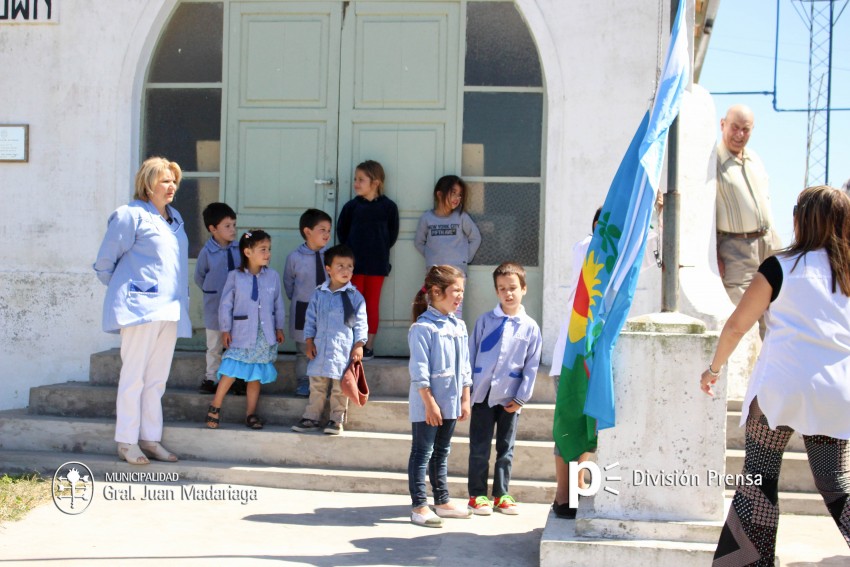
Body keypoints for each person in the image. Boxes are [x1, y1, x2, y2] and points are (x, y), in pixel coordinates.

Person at [700, 185, 850, 565]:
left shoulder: (779, 266)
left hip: (779, 390)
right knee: (835, 483)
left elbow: (737, 325)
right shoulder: (847, 272)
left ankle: (747, 562)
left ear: (800, 219)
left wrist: (713, 369)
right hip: (835, 392)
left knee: (759, 478)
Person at [93, 156, 190, 465]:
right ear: (148, 185)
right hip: (140, 309)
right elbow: (105, 264)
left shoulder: (175, 219)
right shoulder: (130, 215)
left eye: (174, 181)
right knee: (134, 377)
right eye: (165, 180)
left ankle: (150, 438)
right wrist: (130, 290)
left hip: (170, 309)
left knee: (156, 380)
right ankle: (126, 441)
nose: (171, 186)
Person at [467, 262, 542, 516]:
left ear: (524, 289)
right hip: (482, 395)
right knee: (479, 447)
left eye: (513, 288)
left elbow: (531, 365)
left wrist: (522, 397)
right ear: (496, 291)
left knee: (505, 448)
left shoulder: (530, 327)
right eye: (502, 289)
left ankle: (501, 495)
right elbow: (471, 354)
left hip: (510, 397)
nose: (508, 293)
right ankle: (477, 495)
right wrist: (467, 390)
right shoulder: (485, 321)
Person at [407, 265, 473, 527]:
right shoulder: (423, 328)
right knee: (422, 452)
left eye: (462, 291)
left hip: (451, 402)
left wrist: (465, 398)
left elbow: (465, 367)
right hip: (428, 405)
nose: (460, 296)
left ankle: (442, 501)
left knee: (442, 451)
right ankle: (419, 506)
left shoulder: (459, 326)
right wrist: (430, 404)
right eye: (455, 291)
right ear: (436, 291)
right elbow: (419, 372)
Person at [205, 230, 285, 430]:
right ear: (248, 252)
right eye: (263, 249)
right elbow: (225, 305)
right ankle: (215, 406)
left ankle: (251, 413)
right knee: (231, 368)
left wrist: (279, 327)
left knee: (255, 374)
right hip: (241, 333)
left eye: (269, 249)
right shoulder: (235, 276)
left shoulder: (273, 277)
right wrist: (225, 329)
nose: (268, 254)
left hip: (264, 334)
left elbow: (278, 304)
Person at [550, 206, 601, 519]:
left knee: (589, 429)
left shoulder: (620, 265)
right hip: (571, 358)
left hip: (599, 360)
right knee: (568, 429)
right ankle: (563, 495)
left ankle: (579, 485)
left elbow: (652, 251)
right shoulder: (586, 249)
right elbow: (597, 246)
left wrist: (657, 216)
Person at [291, 244, 368, 435]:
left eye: (349, 266)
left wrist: (359, 345)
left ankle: (336, 419)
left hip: (342, 351)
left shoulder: (355, 297)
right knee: (317, 385)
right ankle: (311, 417)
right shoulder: (319, 294)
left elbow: (361, 323)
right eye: (340, 266)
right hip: (319, 349)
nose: (345, 270)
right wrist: (309, 341)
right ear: (328, 269)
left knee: (340, 388)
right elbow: (310, 319)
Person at [715, 104, 780, 306]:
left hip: (768, 244)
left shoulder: (754, 158)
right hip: (736, 249)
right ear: (723, 124)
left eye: (746, 129)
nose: (740, 134)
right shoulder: (713, 162)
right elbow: (704, 214)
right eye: (735, 127)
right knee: (743, 309)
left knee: (775, 307)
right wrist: (713, 254)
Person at [336, 160, 399, 360]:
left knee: (371, 304)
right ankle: (352, 343)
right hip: (353, 267)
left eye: (361, 180)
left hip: (377, 265)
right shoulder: (351, 207)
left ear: (376, 182)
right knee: (352, 305)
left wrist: (377, 251)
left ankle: (368, 345)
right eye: (355, 179)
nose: (356, 183)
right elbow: (342, 232)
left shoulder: (388, 207)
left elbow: (392, 235)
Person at [414, 175, 481, 316]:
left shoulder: (461, 217)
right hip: (435, 274)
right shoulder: (427, 218)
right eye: (453, 193)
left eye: (460, 194)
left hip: (457, 273)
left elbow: (475, 238)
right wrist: (432, 256)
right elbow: (419, 242)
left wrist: (465, 258)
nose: (457, 198)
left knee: (455, 311)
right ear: (439, 194)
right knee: (434, 310)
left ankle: (455, 331)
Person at [283, 208, 332, 398]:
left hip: (325, 309)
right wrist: (298, 299)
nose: (327, 234)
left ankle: (321, 382)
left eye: (329, 230)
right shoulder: (295, 257)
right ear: (307, 231)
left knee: (323, 347)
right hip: (303, 309)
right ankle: (303, 381)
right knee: (303, 350)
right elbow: (289, 283)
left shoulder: (331, 256)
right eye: (322, 230)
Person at [194, 202, 241, 395]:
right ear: (213, 229)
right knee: (214, 345)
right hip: (214, 306)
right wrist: (211, 290)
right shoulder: (207, 252)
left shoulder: (240, 249)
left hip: (237, 308)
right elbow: (199, 276)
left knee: (235, 345)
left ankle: (234, 379)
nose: (233, 230)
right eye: (227, 226)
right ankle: (211, 378)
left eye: (234, 225)